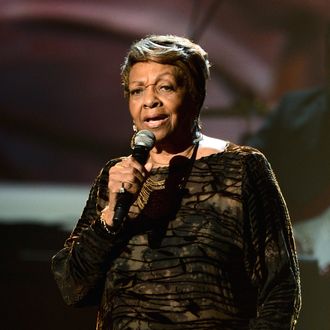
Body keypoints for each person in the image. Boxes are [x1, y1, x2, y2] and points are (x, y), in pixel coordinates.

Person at [51, 34, 301, 329]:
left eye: (165, 87)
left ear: (195, 94)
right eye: (137, 91)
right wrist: (108, 219)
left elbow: (281, 290)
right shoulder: (115, 175)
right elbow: (73, 288)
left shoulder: (242, 167)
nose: (149, 101)